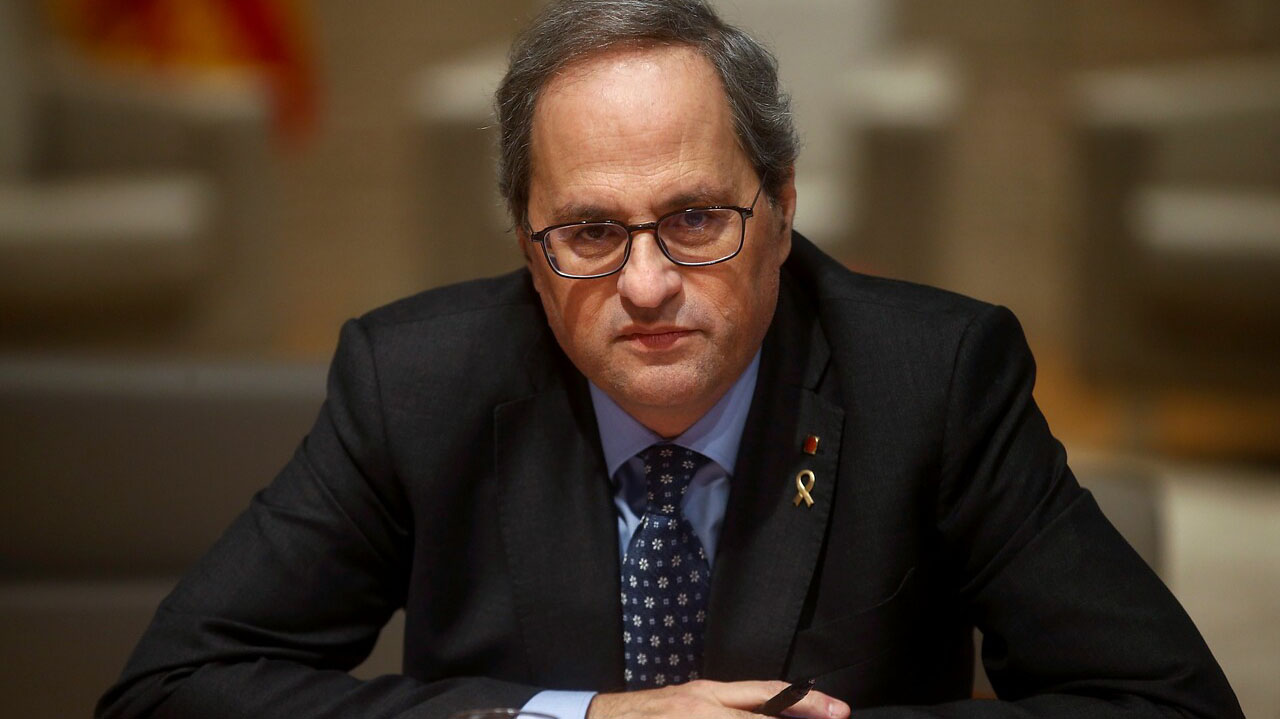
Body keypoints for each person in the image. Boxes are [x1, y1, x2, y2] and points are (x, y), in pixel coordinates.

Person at [97, 1, 1243, 718]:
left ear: (780, 208)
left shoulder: (932, 375)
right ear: (527, 244)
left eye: (695, 218)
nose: (645, 284)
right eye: (591, 231)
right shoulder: (415, 380)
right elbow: (169, 689)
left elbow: (1166, 701)